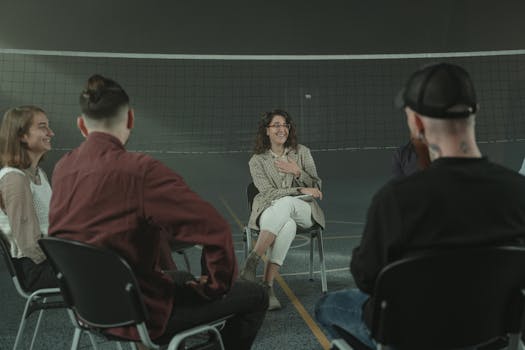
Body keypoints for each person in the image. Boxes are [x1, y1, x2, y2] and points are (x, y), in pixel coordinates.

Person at [48, 74, 268, 349]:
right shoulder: (141, 171)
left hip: (88, 309)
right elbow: (215, 230)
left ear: (81, 125)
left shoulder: (62, 168)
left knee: (183, 278)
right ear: (130, 119)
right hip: (139, 312)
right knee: (256, 296)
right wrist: (214, 287)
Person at [315, 62, 525, 348]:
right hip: (491, 330)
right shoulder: (518, 190)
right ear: (475, 110)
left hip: (412, 333)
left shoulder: (396, 199)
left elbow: (366, 279)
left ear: (416, 123)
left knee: (328, 304)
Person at [240, 109, 325, 310]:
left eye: (285, 125)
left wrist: (297, 171)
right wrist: (299, 188)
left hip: (304, 210)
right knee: (286, 225)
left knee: (286, 203)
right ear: (266, 131)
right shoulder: (257, 161)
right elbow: (268, 194)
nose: (281, 129)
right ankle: (267, 287)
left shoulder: (302, 152)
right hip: (271, 210)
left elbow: (317, 188)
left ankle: (252, 261)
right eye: (276, 125)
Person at [0, 106, 57, 291]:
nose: (51, 132)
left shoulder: (39, 174)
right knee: (106, 271)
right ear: (22, 136)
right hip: (35, 268)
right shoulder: (14, 179)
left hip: (51, 258)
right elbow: (29, 245)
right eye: (42, 127)